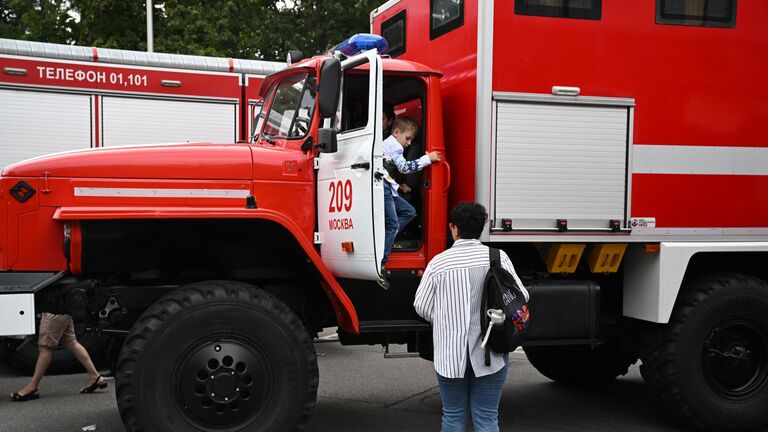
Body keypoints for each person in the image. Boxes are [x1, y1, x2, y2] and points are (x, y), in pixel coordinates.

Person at [413, 202, 528, 432]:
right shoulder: (498, 257)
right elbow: (521, 296)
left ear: (453, 228)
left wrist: (447, 317)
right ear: (482, 228)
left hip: (449, 357)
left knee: (453, 416)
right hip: (490, 353)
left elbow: (422, 306)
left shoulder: (438, 263)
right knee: (486, 417)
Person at [379, 116, 442, 286]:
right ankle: (380, 263)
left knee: (409, 212)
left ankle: (385, 238)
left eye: (411, 140)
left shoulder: (386, 144)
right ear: (396, 132)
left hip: (388, 186)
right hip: (384, 188)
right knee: (393, 224)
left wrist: (398, 187)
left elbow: (386, 169)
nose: (408, 143)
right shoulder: (395, 146)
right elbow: (404, 167)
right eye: (408, 139)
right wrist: (427, 159)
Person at [9, 313, 107, 402]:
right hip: (64, 309)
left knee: (45, 348)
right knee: (71, 342)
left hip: (53, 310)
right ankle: (95, 377)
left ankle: (32, 387)